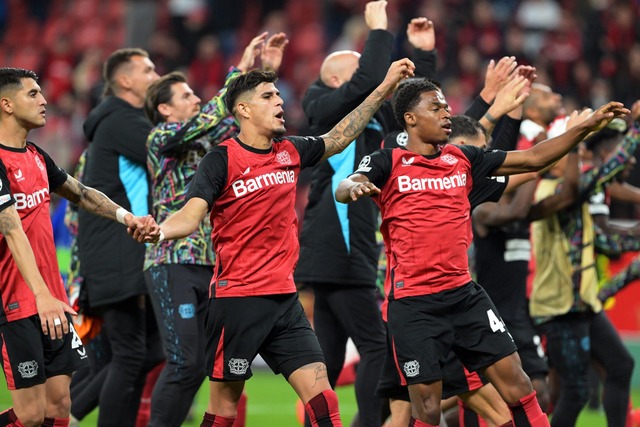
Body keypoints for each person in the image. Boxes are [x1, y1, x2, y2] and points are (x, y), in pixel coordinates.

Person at [336, 77, 629, 426]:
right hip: (414, 305)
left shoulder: (463, 158)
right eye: (436, 107)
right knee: (426, 410)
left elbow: (534, 158)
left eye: (446, 106)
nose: (447, 112)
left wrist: (585, 129)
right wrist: (355, 186)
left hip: (464, 296)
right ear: (410, 119)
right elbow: (346, 184)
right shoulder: (387, 161)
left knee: (520, 387)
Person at [138, 59, 416, 426]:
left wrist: (384, 86)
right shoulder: (220, 159)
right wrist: (160, 230)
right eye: (269, 96)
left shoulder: (290, 150)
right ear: (244, 109)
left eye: (279, 95)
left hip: (284, 302)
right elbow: (191, 216)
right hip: (236, 301)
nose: (279, 102)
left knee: (324, 402)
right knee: (222, 410)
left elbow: (339, 137)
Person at [296, 2, 437, 425]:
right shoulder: (321, 103)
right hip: (337, 246)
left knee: (329, 356)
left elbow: (424, 116)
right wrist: (378, 31)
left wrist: (422, 54)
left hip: (341, 248)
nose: (372, 80)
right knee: (377, 348)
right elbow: (370, 80)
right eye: (359, 72)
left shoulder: (374, 118)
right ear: (341, 80)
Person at [142, 31, 288, 427]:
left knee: (222, 367)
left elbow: (252, 123)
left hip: (213, 266)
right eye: (186, 96)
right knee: (185, 364)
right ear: (165, 110)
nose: (195, 99)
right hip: (173, 259)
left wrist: (267, 71)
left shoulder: (214, 140)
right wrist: (240, 67)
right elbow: (218, 112)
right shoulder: (161, 138)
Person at [0, 67, 156, 427]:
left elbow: (82, 193)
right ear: (6, 104)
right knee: (30, 415)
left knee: (59, 406)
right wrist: (40, 295)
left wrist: (125, 217)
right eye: (33, 94)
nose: (43, 100)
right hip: (17, 300)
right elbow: (12, 231)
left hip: (50, 297)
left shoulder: (36, 156)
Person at [529, 104, 640, 427]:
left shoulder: (570, 190)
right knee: (574, 391)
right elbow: (609, 169)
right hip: (561, 309)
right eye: (572, 155)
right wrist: (635, 131)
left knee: (619, 366)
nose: (581, 164)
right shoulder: (558, 193)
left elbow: (604, 243)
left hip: (582, 305)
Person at [76, 47, 163, 427]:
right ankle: (70, 414)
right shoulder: (121, 120)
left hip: (123, 250)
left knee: (144, 352)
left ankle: (69, 413)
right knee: (130, 355)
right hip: (117, 251)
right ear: (125, 81)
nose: (155, 75)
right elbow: (168, 147)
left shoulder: (118, 121)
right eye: (147, 70)